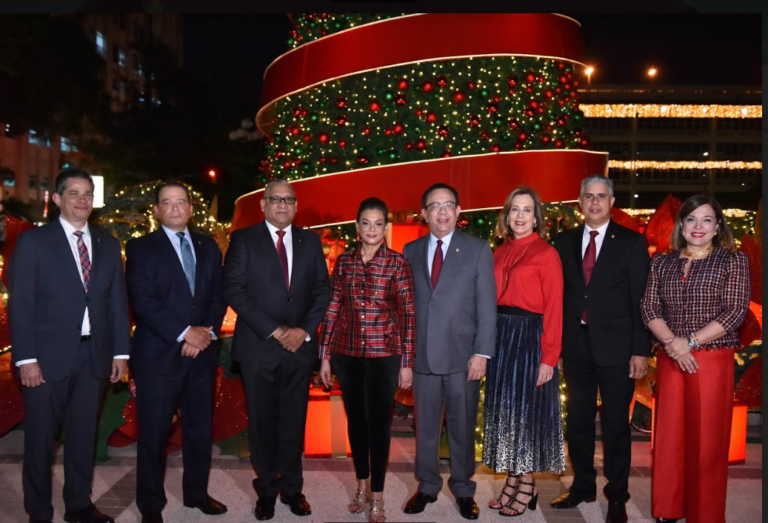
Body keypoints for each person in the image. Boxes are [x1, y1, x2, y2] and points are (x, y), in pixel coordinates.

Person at [8, 169, 131, 523]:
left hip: (94, 357)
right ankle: (40, 511)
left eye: (88, 194)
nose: (82, 199)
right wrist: (26, 359)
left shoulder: (108, 244)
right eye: (74, 193)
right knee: (40, 441)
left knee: (82, 436)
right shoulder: (34, 242)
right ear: (58, 199)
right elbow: (22, 303)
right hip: (45, 359)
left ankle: (78, 505)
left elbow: (116, 304)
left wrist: (120, 352)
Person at [223, 179, 331, 521]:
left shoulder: (311, 242)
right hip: (259, 348)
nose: (282, 205)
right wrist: (276, 330)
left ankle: (293, 489)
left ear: (296, 206)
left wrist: (302, 331)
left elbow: (323, 291)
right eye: (275, 199)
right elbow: (234, 290)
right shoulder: (244, 239)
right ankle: (267, 489)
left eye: (288, 199)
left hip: (299, 349)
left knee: (294, 423)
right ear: (263, 205)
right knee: (262, 424)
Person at [641, 194, 750, 523]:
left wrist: (688, 342)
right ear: (681, 225)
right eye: (691, 219)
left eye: (706, 220)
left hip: (712, 359)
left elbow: (734, 313)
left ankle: (704, 514)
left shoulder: (732, 260)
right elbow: (649, 308)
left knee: (707, 442)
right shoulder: (662, 262)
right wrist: (674, 344)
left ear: (718, 226)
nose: (698, 226)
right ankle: (668, 509)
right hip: (671, 356)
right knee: (669, 437)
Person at [125, 181, 228, 523]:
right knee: (153, 435)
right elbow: (143, 302)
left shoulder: (209, 246)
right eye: (166, 203)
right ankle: (151, 506)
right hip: (158, 356)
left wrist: (205, 334)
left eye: (180, 202)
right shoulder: (140, 248)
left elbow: (218, 295)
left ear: (190, 208)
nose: (174, 208)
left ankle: (197, 494)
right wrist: (186, 333)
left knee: (199, 429)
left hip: (201, 355)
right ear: (156, 209)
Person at [550, 175, 650, 523]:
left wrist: (641, 351)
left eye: (601, 196)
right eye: (588, 196)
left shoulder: (631, 243)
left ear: (612, 201)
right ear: (580, 201)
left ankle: (617, 495)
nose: (595, 202)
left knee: (616, 426)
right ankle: (582, 485)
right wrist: (555, 348)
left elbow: (642, 300)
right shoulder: (562, 242)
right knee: (577, 421)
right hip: (575, 347)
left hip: (619, 350)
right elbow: (557, 298)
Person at [402, 183, 497, 521]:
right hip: (422, 357)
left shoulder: (477, 249)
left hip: (462, 357)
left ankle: (463, 487)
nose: (441, 212)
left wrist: (482, 353)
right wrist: (405, 358)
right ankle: (426, 486)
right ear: (425, 213)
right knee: (424, 428)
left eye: (448, 205)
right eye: (434, 206)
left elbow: (487, 305)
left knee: (461, 426)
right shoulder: (409, 250)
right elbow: (406, 308)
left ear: (459, 212)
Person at [318, 197, 415, 523]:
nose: (372, 229)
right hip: (347, 356)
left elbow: (408, 316)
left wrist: (406, 362)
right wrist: (325, 356)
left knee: (379, 427)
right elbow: (333, 309)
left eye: (378, 223)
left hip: (384, 357)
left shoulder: (398, 264)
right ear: (357, 226)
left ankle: (378, 495)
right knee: (356, 424)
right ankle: (361, 483)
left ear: (384, 226)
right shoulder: (344, 262)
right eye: (365, 223)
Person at [483, 187, 566, 516]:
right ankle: (513, 480)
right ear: (506, 216)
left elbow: (555, 308)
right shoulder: (499, 251)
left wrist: (549, 356)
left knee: (525, 413)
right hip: (502, 336)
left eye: (526, 210)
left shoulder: (546, 253)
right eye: (514, 210)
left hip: (531, 338)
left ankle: (528, 482)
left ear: (536, 217)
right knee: (505, 411)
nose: (519, 216)